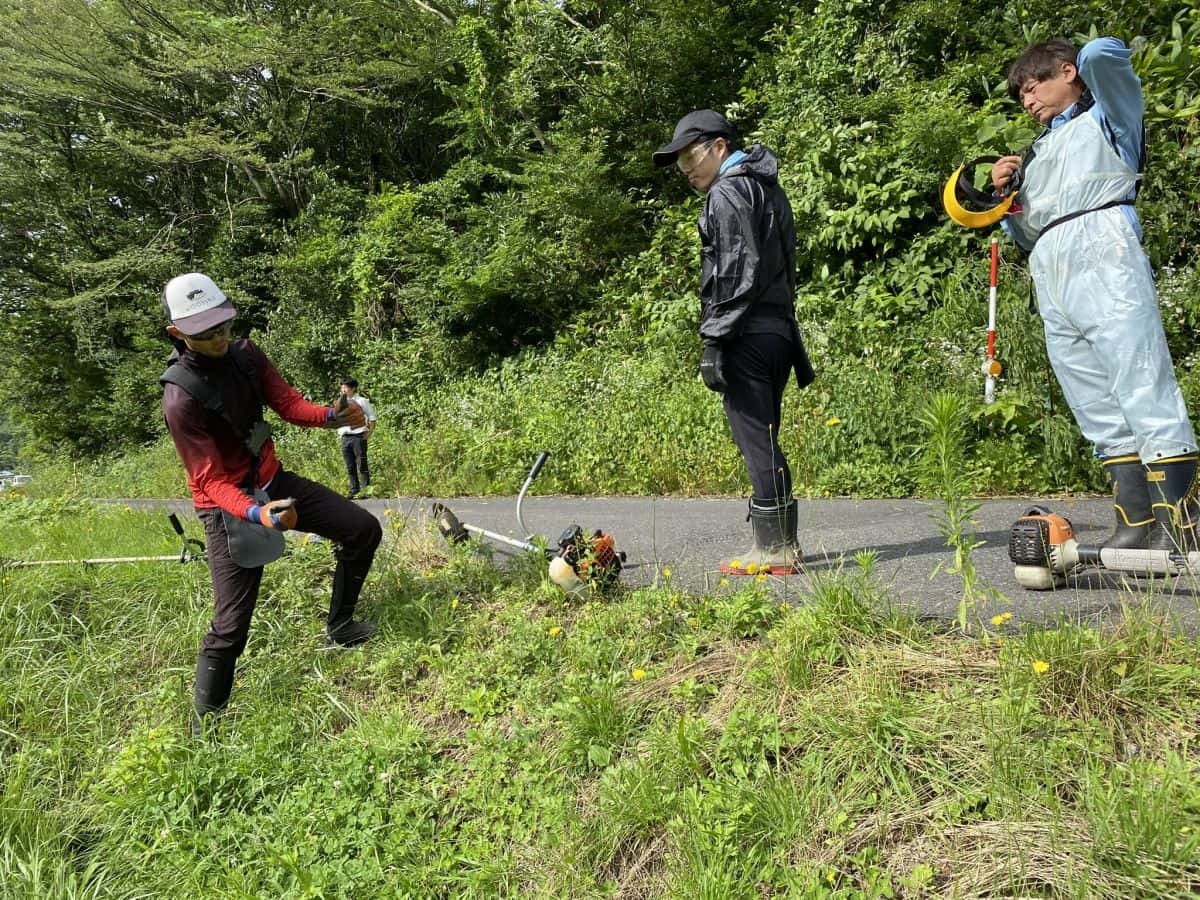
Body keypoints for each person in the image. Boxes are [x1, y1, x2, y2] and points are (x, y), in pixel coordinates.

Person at [991, 38, 1198, 552]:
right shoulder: (1037, 151)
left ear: (1068, 72)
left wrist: (1080, 58)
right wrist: (1004, 194)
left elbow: (1107, 56)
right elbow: (1024, 229)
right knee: (1091, 397)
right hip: (1050, 261)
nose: (1027, 100)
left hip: (1104, 244)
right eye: (1020, 95)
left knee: (1140, 377)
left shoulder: (1111, 115)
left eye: (1034, 85)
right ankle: (1136, 522)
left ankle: (1185, 524)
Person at [159, 272, 383, 736]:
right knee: (231, 624)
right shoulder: (180, 398)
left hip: (272, 479)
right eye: (206, 333)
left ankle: (340, 625)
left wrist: (330, 416)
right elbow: (210, 480)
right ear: (177, 334)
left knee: (362, 529)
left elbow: (287, 404)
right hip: (227, 506)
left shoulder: (246, 355)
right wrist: (259, 514)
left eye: (223, 326)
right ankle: (205, 730)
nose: (220, 338)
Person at [653, 109, 815, 575]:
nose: (685, 169)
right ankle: (780, 544)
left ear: (719, 146)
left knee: (756, 439)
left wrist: (714, 340)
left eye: (689, 155)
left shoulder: (727, 192)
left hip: (746, 332)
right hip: (779, 332)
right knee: (765, 435)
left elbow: (733, 273)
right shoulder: (767, 186)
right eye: (679, 161)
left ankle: (776, 549)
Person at [338, 377, 377, 499]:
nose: (343, 390)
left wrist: (369, 433)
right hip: (345, 437)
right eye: (342, 387)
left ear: (353, 388)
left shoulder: (362, 401)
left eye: (346, 387)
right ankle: (354, 490)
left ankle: (366, 490)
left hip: (358, 436)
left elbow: (372, 418)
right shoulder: (340, 402)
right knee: (350, 465)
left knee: (362, 464)